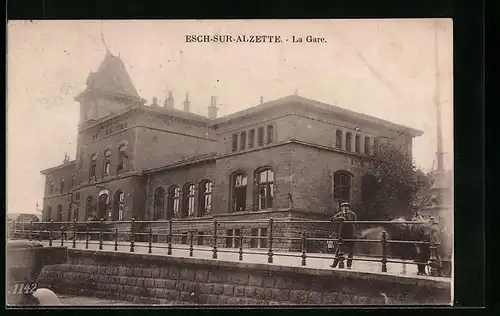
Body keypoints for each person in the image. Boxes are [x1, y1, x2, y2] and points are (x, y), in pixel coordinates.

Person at [330, 202, 358, 269]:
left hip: (351, 234)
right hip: (342, 235)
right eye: (343, 207)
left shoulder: (352, 214)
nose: (345, 208)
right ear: (341, 208)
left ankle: (349, 265)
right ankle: (334, 264)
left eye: (346, 207)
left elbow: (355, 224)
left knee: (350, 251)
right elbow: (332, 219)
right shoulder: (340, 214)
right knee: (338, 250)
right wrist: (339, 218)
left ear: (348, 208)